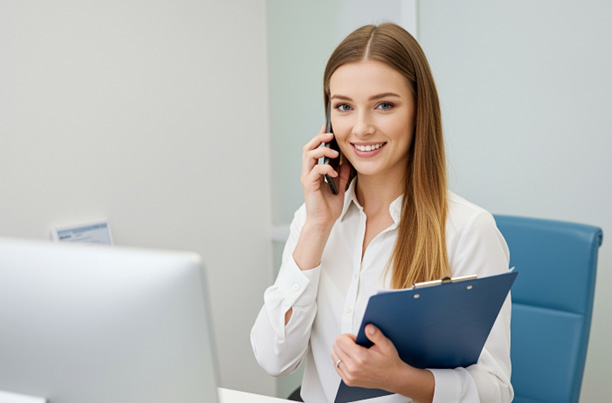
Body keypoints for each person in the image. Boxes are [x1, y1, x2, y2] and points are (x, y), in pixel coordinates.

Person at [251, 22, 513, 403]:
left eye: (384, 105)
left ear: (418, 111)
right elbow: (274, 358)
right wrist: (316, 227)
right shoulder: (313, 220)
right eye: (343, 107)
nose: (361, 128)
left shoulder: (467, 229)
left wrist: (400, 378)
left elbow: (496, 391)